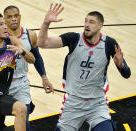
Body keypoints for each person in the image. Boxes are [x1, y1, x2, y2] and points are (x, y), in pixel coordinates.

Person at [37, 3, 131, 131]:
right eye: (85, 21)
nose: (87, 24)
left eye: (91, 22)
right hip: (73, 103)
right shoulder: (73, 38)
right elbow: (42, 43)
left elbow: (127, 74)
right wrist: (46, 23)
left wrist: (121, 66)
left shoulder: (109, 43)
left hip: (97, 103)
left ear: (100, 25)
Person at [3, 5, 54, 130]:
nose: (14, 19)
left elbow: (37, 58)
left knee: (24, 119)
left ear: (20, 16)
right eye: (10, 17)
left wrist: (44, 77)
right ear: (4, 20)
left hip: (21, 83)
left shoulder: (30, 35)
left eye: (16, 16)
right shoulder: (1, 38)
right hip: (2, 84)